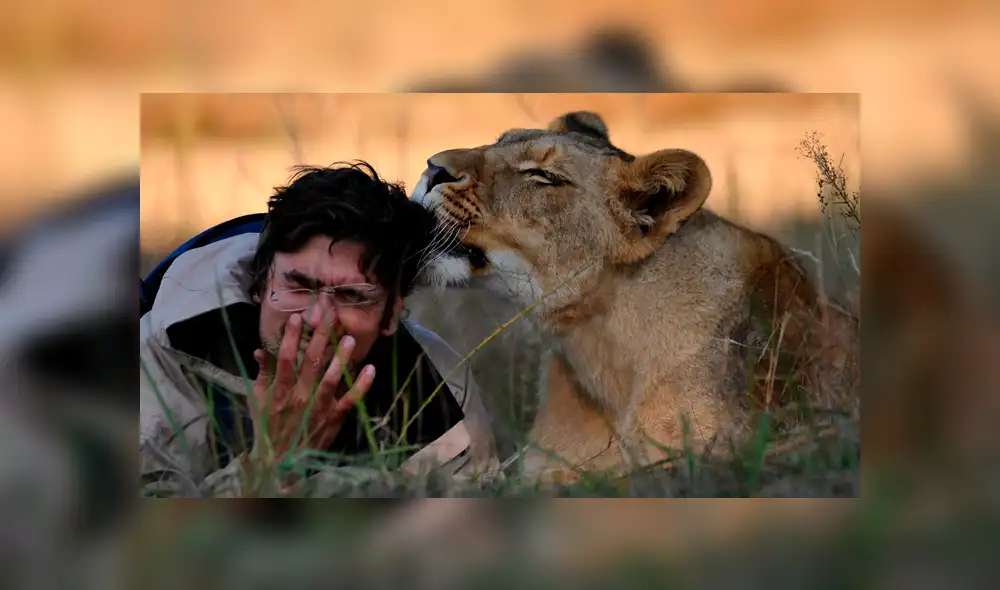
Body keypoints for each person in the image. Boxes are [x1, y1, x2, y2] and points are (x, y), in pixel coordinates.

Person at [140, 161, 500, 497]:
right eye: (299, 285)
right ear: (260, 284)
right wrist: (272, 464)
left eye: (352, 295)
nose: (318, 319)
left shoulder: (436, 391)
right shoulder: (164, 347)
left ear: (391, 315)